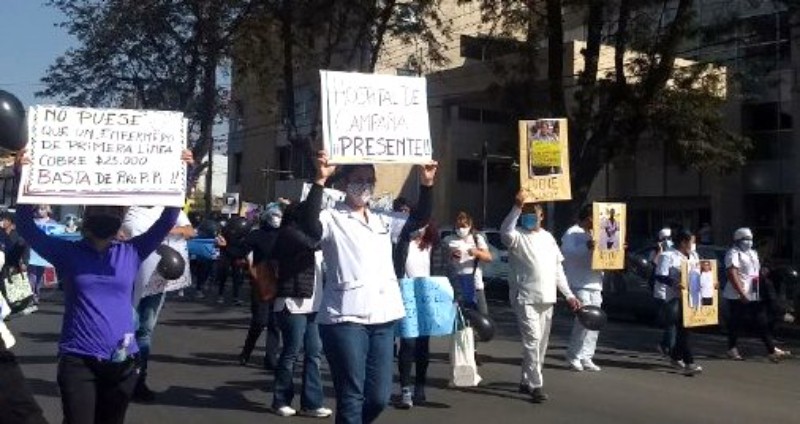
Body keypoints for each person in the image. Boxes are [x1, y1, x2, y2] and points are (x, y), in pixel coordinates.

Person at [14, 150, 191, 424]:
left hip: (122, 362)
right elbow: (26, 226)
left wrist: (183, 172)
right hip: (78, 361)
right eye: (99, 209)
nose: (106, 214)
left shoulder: (132, 251)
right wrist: (22, 175)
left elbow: (168, 219)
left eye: (112, 210)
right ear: (87, 214)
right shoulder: (67, 253)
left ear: (120, 217)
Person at [302, 151, 437, 424]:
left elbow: (420, 217)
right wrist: (320, 180)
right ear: (344, 183)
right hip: (344, 317)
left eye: (369, 180)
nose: (364, 185)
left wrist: (427, 184)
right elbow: (308, 225)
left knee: (378, 397)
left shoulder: (382, 219)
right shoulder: (331, 217)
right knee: (351, 394)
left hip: (383, 317)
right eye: (358, 179)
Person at [500, 192, 580, 403]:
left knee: (540, 344)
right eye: (525, 213)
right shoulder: (516, 236)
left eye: (532, 213)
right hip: (525, 297)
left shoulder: (548, 238)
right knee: (532, 341)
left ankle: (526, 380)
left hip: (547, 297)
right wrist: (517, 207)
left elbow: (557, 270)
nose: (529, 217)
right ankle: (536, 385)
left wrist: (569, 295)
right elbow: (505, 231)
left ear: (541, 216)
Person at [120, 206, 195, 402]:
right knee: (126, 328)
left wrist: (163, 231)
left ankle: (138, 381)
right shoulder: (128, 208)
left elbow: (189, 231)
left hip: (158, 278)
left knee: (144, 330)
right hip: (128, 277)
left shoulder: (169, 208)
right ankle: (117, 378)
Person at [269, 202, 331, 418]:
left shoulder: (306, 235)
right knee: (291, 353)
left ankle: (312, 403)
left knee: (314, 353)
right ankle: (280, 400)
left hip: (314, 304)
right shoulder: (289, 233)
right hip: (292, 302)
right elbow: (314, 244)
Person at [723, 228, 790, 362]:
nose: (749, 242)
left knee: (761, 321)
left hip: (753, 292)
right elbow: (732, 273)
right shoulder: (733, 253)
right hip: (737, 295)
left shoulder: (752, 253)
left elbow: (755, 272)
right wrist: (741, 293)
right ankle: (732, 348)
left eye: (750, 239)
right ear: (738, 240)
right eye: (745, 239)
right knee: (736, 322)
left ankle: (771, 350)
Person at [393, 219, 439, 409]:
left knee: (423, 346)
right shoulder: (402, 245)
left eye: (424, 226)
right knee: (408, 343)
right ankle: (405, 390)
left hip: (425, 297)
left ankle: (420, 386)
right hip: (406, 297)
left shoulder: (429, 247)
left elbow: (437, 271)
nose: (420, 229)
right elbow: (396, 268)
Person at [239, 204, 283, 370]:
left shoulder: (284, 234)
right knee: (259, 321)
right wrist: (227, 246)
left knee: (275, 323)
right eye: (273, 215)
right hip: (262, 282)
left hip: (281, 281)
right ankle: (246, 352)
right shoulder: (256, 235)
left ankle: (271, 359)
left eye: (279, 215)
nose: (276, 218)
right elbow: (241, 250)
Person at [653, 229, 703, 376]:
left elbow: (700, 273)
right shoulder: (667, 256)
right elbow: (660, 276)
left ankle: (675, 357)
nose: (693, 244)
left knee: (686, 331)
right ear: (683, 242)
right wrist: (674, 282)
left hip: (692, 298)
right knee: (683, 329)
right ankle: (689, 362)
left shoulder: (694, 255)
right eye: (691, 241)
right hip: (675, 298)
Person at [561, 205, 603, 372]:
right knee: (584, 321)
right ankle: (574, 355)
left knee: (596, 321)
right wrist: (587, 246)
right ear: (588, 217)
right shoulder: (573, 232)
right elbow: (567, 253)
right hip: (579, 282)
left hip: (595, 282)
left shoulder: (600, 232)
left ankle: (587, 356)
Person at [442, 211, 492, 315]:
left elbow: (488, 257)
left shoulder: (477, 238)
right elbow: (441, 259)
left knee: (483, 315)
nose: (461, 229)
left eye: (464, 226)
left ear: (469, 225)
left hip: (475, 283)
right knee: (459, 315)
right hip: (456, 283)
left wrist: (476, 252)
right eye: (458, 226)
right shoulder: (448, 240)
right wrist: (451, 254)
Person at [651, 227, 676, 358]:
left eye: (669, 238)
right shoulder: (657, 253)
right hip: (661, 291)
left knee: (672, 321)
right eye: (664, 239)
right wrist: (659, 250)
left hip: (672, 292)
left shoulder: (675, 253)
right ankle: (669, 348)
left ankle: (665, 345)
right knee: (670, 321)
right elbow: (655, 267)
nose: (667, 241)